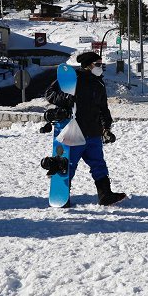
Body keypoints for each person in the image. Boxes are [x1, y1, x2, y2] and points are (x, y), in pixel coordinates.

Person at [45, 52, 126, 206]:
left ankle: (105, 195)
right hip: (75, 131)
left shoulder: (99, 83)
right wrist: (66, 99)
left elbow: (103, 109)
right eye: (97, 64)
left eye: (101, 64)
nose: (100, 67)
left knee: (99, 164)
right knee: (68, 166)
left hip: (94, 132)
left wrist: (106, 128)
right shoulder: (72, 78)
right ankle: (62, 197)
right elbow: (49, 94)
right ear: (88, 65)